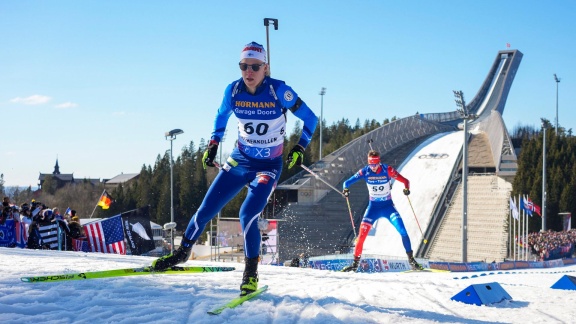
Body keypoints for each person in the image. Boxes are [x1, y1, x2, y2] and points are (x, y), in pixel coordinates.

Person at [152, 41, 318, 296]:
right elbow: (221, 116)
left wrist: (300, 147)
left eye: (255, 66)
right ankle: (182, 253)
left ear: (266, 68)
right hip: (240, 161)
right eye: (244, 66)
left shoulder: (279, 91)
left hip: (268, 166)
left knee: (247, 214)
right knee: (206, 209)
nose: (249, 71)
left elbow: (310, 118)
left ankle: (250, 274)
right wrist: (213, 143)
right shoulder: (233, 91)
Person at [341, 150, 423, 272]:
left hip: (388, 207)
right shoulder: (365, 171)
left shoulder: (387, 170)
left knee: (403, 231)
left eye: (375, 165)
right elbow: (346, 183)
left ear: (379, 163)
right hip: (373, 208)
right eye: (371, 165)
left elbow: (406, 181)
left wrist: (406, 189)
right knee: (361, 236)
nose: (373, 168)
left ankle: (411, 260)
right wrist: (346, 190)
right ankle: (355, 265)